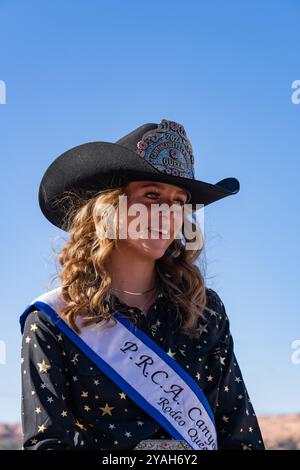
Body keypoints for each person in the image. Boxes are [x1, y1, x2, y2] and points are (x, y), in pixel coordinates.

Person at [20, 119, 265, 450]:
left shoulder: (204, 311)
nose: (168, 213)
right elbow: (47, 444)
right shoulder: (53, 322)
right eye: (152, 195)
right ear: (108, 207)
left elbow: (241, 436)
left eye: (179, 202)